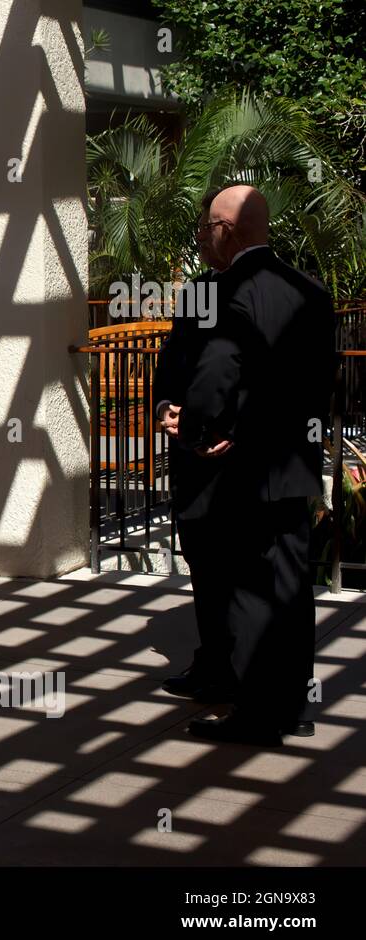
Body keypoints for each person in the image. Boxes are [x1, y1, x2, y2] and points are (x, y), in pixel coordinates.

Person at [175, 185, 336, 744]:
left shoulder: (229, 292)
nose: (204, 239)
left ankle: (254, 714)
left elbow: (217, 371)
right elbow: (316, 385)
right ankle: (291, 707)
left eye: (208, 228)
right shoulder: (310, 292)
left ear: (226, 230)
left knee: (247, 592)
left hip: (244, 477)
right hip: (292, 467)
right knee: (291, 592)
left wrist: (201, 430)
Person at [154, 189, 237, 703]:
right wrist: (164, 407)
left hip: (242, 461)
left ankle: (247, 673)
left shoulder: (275, 293)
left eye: (206, 229)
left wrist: (232, 427)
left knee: (245, 575)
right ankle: (213, 664)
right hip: (192, 458)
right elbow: (173, 361)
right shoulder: (198, 293)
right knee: (204, 567)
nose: (200, 239)